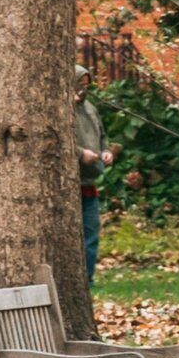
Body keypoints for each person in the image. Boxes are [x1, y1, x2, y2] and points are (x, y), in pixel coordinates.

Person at [75, 88, 117, 288]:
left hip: (89, 182)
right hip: (69, 183)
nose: (83, 90)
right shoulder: (59, 107)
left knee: (91, 231)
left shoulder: (90, 108)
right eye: (79, 84)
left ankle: (88, 277)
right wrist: (80, 153)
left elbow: (102, 137)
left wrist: (105, 151)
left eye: (87, 85)